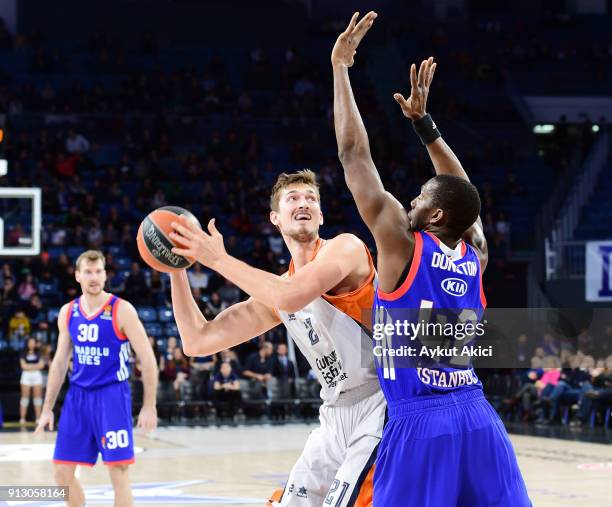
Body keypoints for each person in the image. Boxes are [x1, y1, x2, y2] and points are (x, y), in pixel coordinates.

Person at [332, 12, 531, 506]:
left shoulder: (402, 246)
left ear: (435, 214)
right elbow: (465, 195)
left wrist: (339, 69)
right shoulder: (475, 255)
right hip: (477, 415)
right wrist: (425, 127)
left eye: (421, 196)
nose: (413, 199)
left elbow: (354, 156)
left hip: (419, 422)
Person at [169, 169, 384, 506]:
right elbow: (198, 340)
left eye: (311, 198)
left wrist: (218, 259)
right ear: (275, 218)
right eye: (293, 198)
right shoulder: (278, 293)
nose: (304, 203)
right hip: (334, 414)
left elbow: (292, 294)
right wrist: (176, 269)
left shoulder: (347, 248)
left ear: (321, 215)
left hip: (381, 405)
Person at [35, 250, 158, 507]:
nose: (94, 277)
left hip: (112, 396)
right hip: (77, 398)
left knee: (119, 472)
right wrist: (47, 409)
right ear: (77, 275)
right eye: (88, 272)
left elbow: (147, 358)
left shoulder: (122, 310)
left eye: (99, 271)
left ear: (105, 275)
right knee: (61, 472)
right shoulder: (68, 312)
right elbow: (59, 363)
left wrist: (149, 405)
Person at [19, 337, 45, 425]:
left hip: (37, 375)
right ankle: (22, 418)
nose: (32, 344)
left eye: (33, 342)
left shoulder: (39, 353)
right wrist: (34, 366)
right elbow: (23, 366)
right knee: (24, 398)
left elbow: (41, 365)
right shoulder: (23, 353)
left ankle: (38, 418)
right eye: (30, 342)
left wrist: (30, 366)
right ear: (27, 343)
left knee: (37, 398)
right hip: (26, 375)